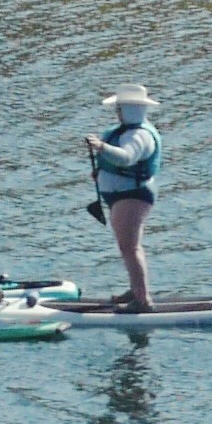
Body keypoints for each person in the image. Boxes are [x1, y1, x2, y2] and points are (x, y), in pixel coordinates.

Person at [85, 80, 162, 305]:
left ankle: (142, 298)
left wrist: (101, 147)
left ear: (128, 109)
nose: (117, 113)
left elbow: (127, 157)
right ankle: (136, 289)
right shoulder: (125, 132)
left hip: (132, 195)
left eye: (119, 109)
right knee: (126, 245)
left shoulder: (140, 136)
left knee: (130, 246)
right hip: (122, 194)